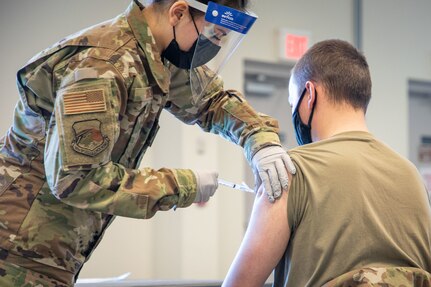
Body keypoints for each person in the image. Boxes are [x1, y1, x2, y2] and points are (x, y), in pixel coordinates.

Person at [0, 0, 296, 286]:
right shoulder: (102, 66)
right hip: (15, 250)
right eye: (214, 34)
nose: (214, 46)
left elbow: (212, 100)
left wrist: (261, 139)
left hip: (44, 251)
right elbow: (76, 177)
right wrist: (183, 185)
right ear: (178, 13)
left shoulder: (154, 57)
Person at [223, 39, 431, 287]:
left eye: (293, 104)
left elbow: (239, 284)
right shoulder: (411, 175)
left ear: (309, 94)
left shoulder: (289, 171)